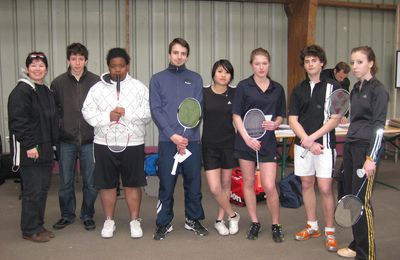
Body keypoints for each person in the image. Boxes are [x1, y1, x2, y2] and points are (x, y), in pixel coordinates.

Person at [82, 47, 151, 239]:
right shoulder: (96, 88)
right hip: (104, 143)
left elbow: (148, 113)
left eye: (121, 66)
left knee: (132, 184)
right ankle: (109, 221)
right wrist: (107, 116)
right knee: (107, 184)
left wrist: (127, 113)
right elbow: (86, 111)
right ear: (108, 67)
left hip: (133, 144)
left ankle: (135, 221)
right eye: (114, 67)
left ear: (127, 66)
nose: (118, 70)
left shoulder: (139, 87)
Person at [150, 38, 208, 240]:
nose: (179, 56)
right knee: (166, 183)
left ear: (187, 56)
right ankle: (163, 222)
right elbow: (156, 110)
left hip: (191, 141)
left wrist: (186, 138)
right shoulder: (157, 79)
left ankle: (193, 220)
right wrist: (173, 136)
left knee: (193, 183)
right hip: (168, 141)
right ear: (169, 54)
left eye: (183, 53)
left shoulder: (196, 79)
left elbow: (197, 110)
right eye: (175, 52)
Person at [337, 46, 389, 259]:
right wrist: (347, 120)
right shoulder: (356, 89)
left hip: (365, 151)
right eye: (352, 62)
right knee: (349, 198)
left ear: (370, 63)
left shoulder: (379, 90)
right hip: (350, 146)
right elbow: (360, 119)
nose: (354, 66)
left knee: (361, 202)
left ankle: (367, 254)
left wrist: (371, 158)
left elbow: (378, 127)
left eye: (359, 62)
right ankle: (356, 242)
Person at [288, 44, 341, 252]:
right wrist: (307, 141)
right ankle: (312, 226)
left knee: (326, 188)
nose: (310, 64)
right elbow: (293, 119)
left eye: (314, 61)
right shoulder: (298, 89)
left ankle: (330, 231)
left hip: (325, 147)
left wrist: (313, 140)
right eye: (307, 61)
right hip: (304, 147)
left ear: (322, 63)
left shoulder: (334, 88)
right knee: (307, 184)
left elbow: (335, 119)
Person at [232, 48, 286, 242]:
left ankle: (275, 224)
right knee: (248, 183)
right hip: (246, 142)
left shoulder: (277, 88)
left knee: (270, 185)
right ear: (251, 65)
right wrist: (246, 138)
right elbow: (236, 115)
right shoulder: (243, 86)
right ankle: (254, 222)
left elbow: (281, 114)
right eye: (257, 63)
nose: (261, 67)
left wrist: (276, 123)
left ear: (269, 64)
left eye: (264, 63)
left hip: (268, 143)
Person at [8, 52, 59, 242]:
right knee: (32, 191)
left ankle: (38, 225)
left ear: (46, 68)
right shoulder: (22, 91)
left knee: (42, 189)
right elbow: (18, 122)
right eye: (34, 65)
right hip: (31, 149)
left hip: (45, 148)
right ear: (27, 68)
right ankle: (29, 230)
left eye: (41, 65)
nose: (38, 69)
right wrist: (29, 145)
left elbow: (52, 119)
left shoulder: (44, 90)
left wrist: (54, 145)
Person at [51, 43, 100, 231]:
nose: (77, 63)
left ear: (86, 60)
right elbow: (53, 112)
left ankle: (87, 214)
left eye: (81, 59)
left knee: (91, 182)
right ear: (68, 60)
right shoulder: (58, 83)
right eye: (73, 59)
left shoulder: (96, 82)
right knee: (65, 182)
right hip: (66, 141)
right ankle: (67, 215)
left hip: (90, 140)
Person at [202, 59, 240, 236]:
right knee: (214, 187)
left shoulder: (235, 93)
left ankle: (219, 219)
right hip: (209, 146)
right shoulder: (203, 93)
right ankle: (233, 215)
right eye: (219, 71)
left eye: (227, 72)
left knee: (226, 184)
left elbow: (242, 117)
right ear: (213, 74)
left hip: (229, 145)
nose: (223, 75)